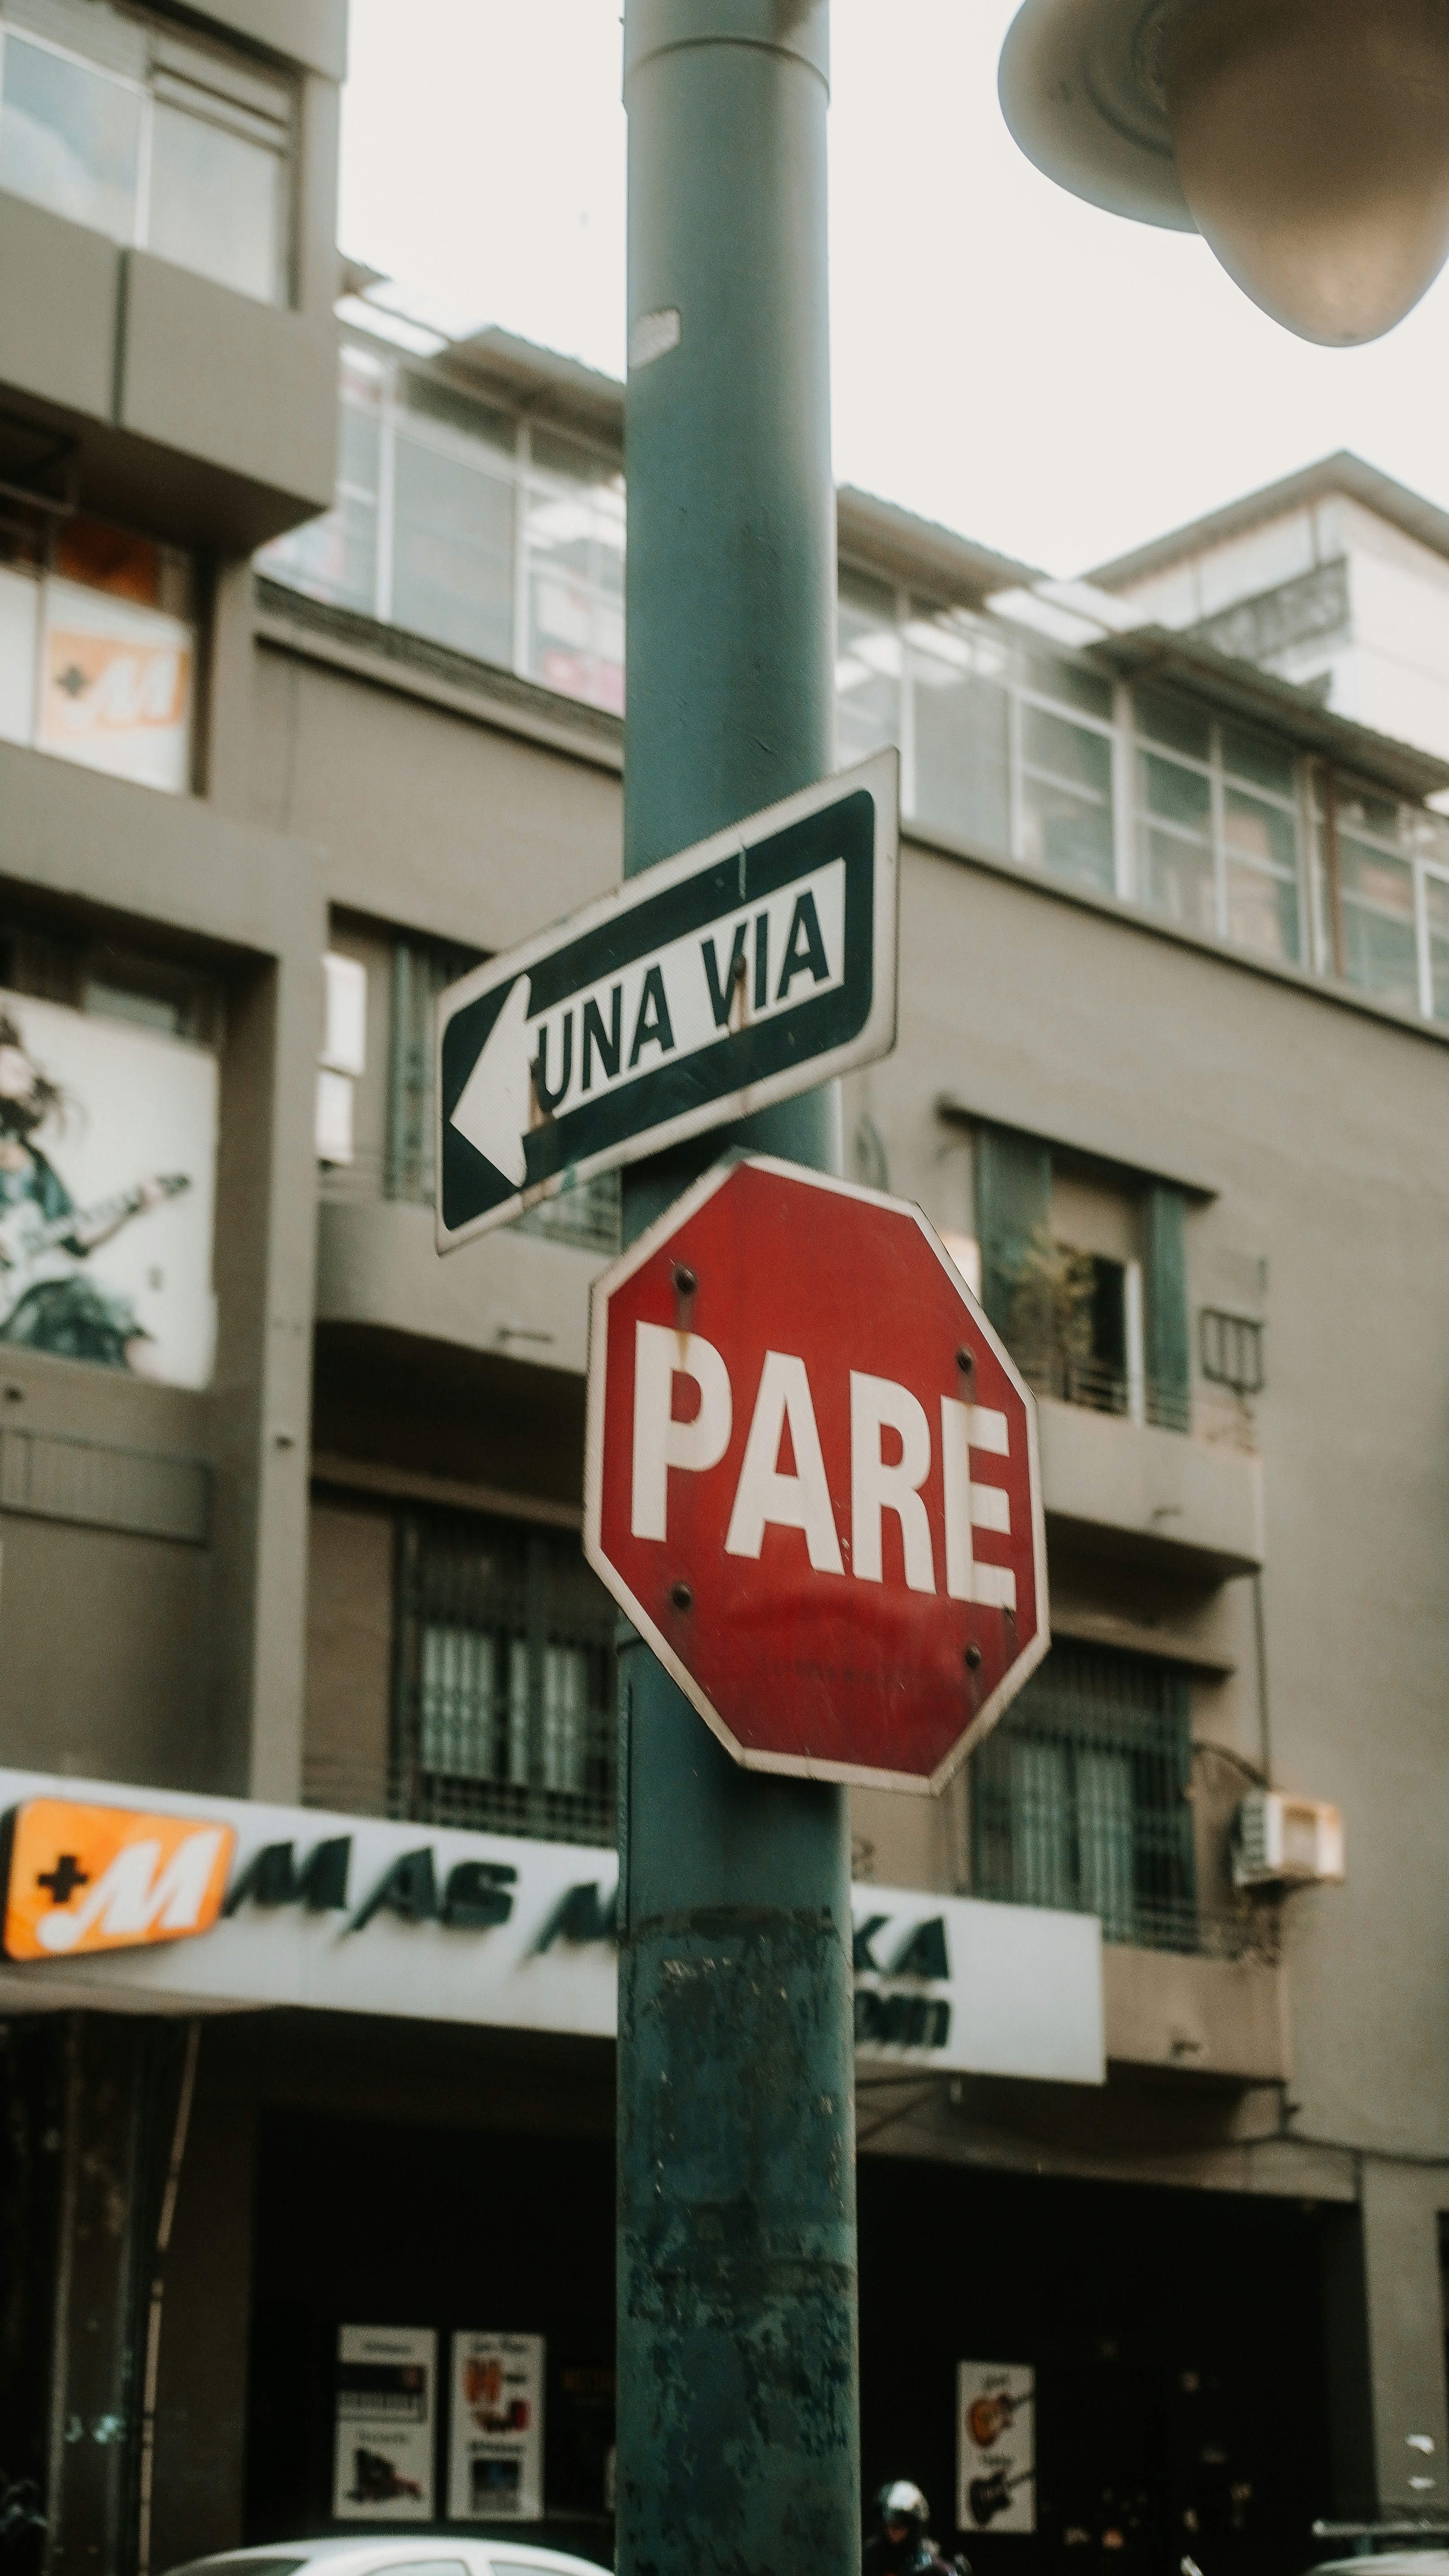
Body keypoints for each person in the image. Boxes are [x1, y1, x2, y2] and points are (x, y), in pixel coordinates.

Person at [864, 2480, 963, 2576]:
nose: (891, 2531)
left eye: (898, 2526)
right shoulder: (871, 2556)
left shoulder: (933, 2564)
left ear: (913, 2527)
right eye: (886, 2525)